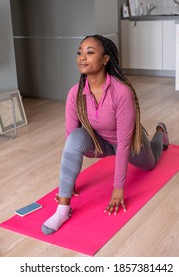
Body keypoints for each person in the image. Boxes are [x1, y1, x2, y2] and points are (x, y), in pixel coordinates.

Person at [41, 35, 169, 235]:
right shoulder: (75, 93)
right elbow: (70, 138)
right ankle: (62, 210)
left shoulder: (122, 92)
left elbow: (125, 143)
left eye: (90, 52)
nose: (82, 57)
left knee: (151, 163)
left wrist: (118, 188)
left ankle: (160, 132)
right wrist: (69, 179)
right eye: (80, 52)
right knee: (75, 137)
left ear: (105, 59)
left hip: (128, 142)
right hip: (101, 142)